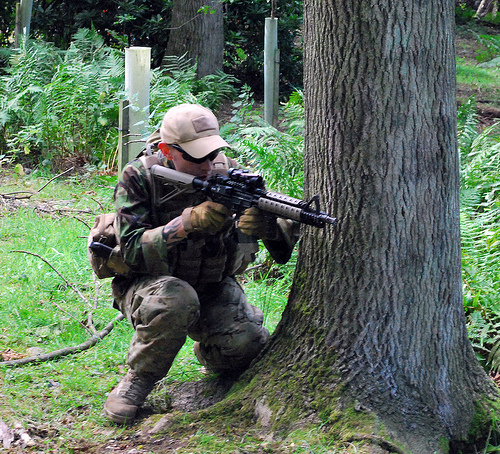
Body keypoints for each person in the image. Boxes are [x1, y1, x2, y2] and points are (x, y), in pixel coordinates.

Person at [104, 103, 298, 424]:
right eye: (197, 157)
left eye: (213, 153)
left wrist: (261, 229)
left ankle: (211, 353)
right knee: (176, 299)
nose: (208, 164)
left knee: (249, 344)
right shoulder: (140, 176)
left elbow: (274, 253)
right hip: (149, 287)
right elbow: (133, 251)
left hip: (210, 285)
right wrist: (185, 223)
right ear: (167, 150)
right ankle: (138, 379)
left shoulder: (227, 172)